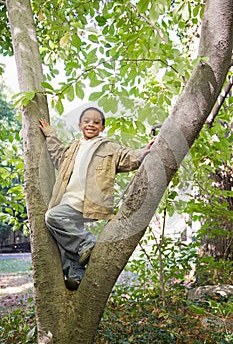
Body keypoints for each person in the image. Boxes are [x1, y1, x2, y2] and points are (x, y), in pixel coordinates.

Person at [39, 107, 155, 290]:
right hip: (68, 199)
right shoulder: (73, 148)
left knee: (52, 217)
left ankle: (87, 242)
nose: (91, 124)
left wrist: (145, 151)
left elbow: (129, 157)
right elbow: (57, 154)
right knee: (63, 237)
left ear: (102, 127)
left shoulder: (108, 147)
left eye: (96, 122)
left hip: (88, 201)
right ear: (80, 125)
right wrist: (49, 134)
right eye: (87, 121)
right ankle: (76, 276)